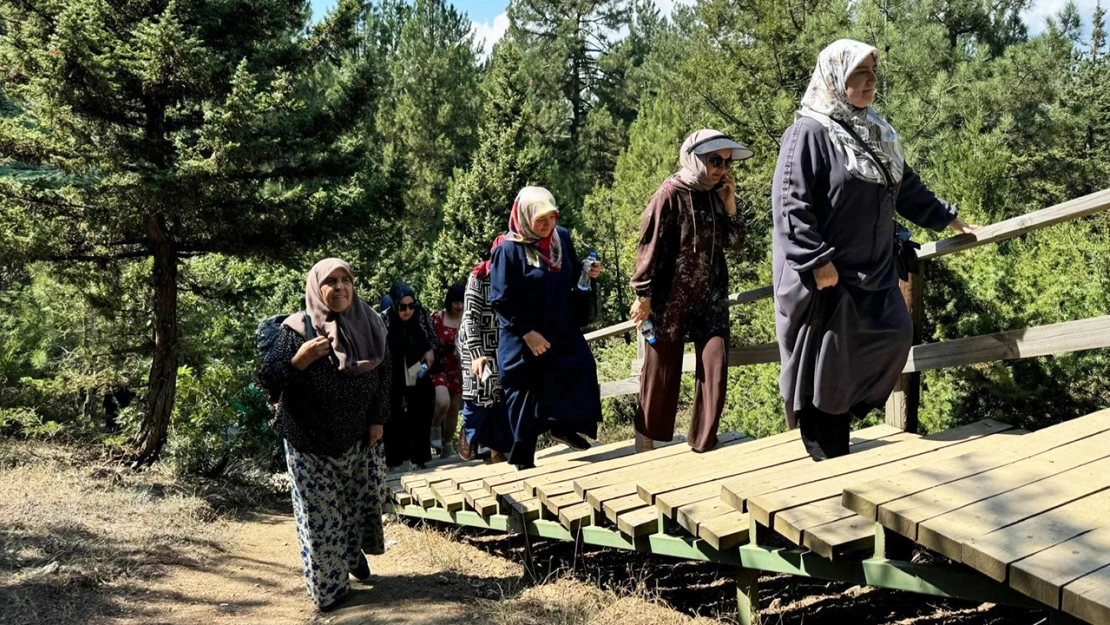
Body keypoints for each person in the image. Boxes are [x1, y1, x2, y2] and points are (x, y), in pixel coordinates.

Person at [771, 40, 976, 461]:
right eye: (858, 74)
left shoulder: (875, 132)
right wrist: (816, 262)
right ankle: (826, 466)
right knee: (827, 369)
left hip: (873, 271)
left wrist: (946, 217)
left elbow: (905, 186)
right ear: (835, 79)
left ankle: (838, 442)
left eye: (872, 73)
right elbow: (790, 204)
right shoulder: (807, 133)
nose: (869, 82)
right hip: (828, 277)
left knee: (894, 332)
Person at [258, 258, 390, 611]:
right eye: (330, 282)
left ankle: (351, 555)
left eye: (346, 279)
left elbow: (385, 377)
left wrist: (377, 420)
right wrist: (298, 361)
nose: (340, 287)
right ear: (317, 288)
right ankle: (330, 591)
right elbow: (268, 379)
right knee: (321, 518)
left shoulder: (373, 323)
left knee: (355, 511)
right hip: (308, 442)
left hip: (358, 440)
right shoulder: (297, 331)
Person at [628, 129, 753, 454]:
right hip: (671, 297)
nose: (721, 168)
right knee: (661, 369)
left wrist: (730, 203)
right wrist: (643, 295)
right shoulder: (669, 194)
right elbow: (648, 246)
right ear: (695, 158)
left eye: (726, 162)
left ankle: (703, 440)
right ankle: (647, 438)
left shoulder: (716, 193)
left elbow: (735, 242)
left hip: (710, 296)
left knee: (715, 363)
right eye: (714, 160)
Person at [490, 186, 603, 469]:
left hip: (559, 326)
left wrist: (588, 273)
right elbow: (501, 300)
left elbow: (570, 273)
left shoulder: (560, 238)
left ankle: (562, 427)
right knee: (525, 392)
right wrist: (527, 333)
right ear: (525, 217)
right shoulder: (508, 249)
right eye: (540, 219)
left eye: (552, 217)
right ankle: (523, 462)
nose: (547, 225)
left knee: (581, 368)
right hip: (523, 335)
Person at [458, 235, 513, 462]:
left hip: (502, 343)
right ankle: (468, 433)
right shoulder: (479, 277)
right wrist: (476, 354)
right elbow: (470, 318)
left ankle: (496, 450)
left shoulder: (515, 276)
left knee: (501, 396)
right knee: (480, 392)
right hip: (476, 342)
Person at [382, 282, 437, 470]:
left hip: (416, 366)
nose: (407, 311)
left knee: (421, 411)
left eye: (411, 306)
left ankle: (419, 457)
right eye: (402, 307)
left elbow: (431, 337)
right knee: (393, 416)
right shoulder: (384, 319)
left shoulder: (420, 314)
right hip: (393, 371)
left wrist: (430, 351)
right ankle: (396, 461)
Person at [430, 284, 466, 458]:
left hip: (458, 369)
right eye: (455, 302)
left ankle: (447, 445)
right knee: (443, 401)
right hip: (438, 367)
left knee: (454, 408)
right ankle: (434, 428)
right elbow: (428, 340)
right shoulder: (438, 317)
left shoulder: (467, 319)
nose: (459, 306)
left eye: (462, 302)